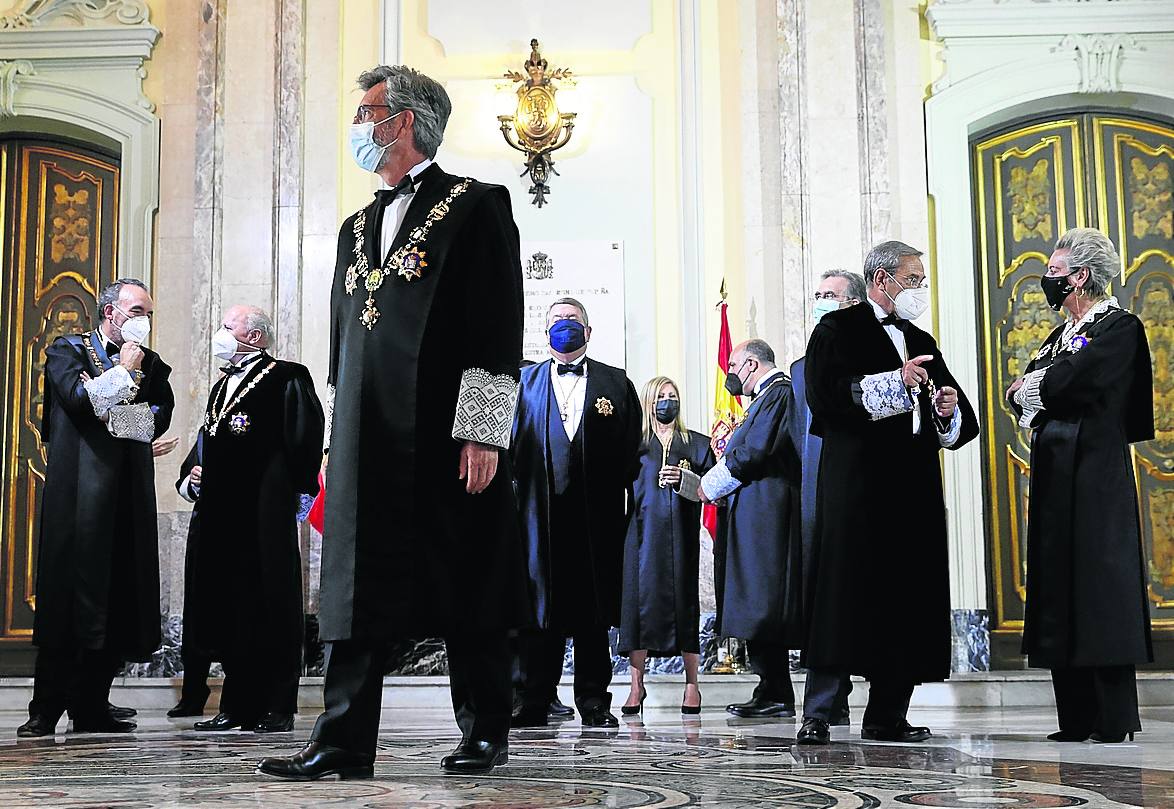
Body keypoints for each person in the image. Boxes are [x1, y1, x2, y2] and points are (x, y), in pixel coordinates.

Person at [258, 65, 527, 779]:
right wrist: (333, 445)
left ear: (402, 120)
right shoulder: (353, 226)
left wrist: (484, 429)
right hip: (364, 437)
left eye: (365, 111)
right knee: (353, 588)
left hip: (446, 434)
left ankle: (483, 731)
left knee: (468, 578)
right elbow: (344, 342)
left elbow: (497, 326)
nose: (357, 124)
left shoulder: (477, 205)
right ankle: (342, 742)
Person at [798, 240, 978, 745]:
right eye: (913, 278)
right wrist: (895, 382)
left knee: (906, 596)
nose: (920, 289)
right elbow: (827, 398)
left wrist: (945, 408)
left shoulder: (919, 335)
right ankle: (819, 711)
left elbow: (958, 415)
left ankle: (888, 713)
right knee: (842, 593)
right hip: (856, 485)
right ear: (881, 279)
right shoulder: (835, 329)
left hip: (911, 488)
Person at [1007, 228, 1154, 744]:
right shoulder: (1061, 335)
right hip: (1054, 472)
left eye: (1053, 271)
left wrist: (1037, 387)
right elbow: (1027, 385)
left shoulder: (1118, 327)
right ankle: (1073, 717)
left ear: (1080, 276)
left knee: (1098, 587)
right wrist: (1035, 387)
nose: (1046, 279)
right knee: (1058, 587)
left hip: (1095, 473)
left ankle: (1111, 719)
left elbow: (1077, 380)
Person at [18, 279, 174, 737]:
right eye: (137, 310)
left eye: (148, 311)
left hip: (125, 496)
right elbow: (75, 399)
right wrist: (122, 376)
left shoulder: (154, 365)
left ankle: (92, 705)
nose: (144, 319)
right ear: (111, 312)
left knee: (117, 598)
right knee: (67, 600)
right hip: (78, 495)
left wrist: (114, 414)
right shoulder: (68, 350)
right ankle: (45, 709)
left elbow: (155, 417)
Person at [177, 306, 323, 734]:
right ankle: (236, 705)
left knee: (271, 604)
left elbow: (304, 440)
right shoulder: (221, 385)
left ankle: (277, 705)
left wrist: (292, 498)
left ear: (255, 337)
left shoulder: (287, 377)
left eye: (227, 327)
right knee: (232, 606)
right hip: (224, 518)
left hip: (266, 513)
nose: (219, 334)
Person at [511, 298, 641, 729]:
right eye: (556, 321)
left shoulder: (615, 382)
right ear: (543, 332)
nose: (564, 326)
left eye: (572, 320)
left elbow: (630, 452)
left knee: (592, 612)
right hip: (536, 514)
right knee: (538, 608)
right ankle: (534, 697)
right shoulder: (522, 382)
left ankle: (593, 701)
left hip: (596, 517)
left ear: (589, 331)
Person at [699, 339, 803, 720]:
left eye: (733, 364)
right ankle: (770, 688)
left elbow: (753, 452)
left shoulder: (778, 394)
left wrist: (707, 486)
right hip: (756, 514)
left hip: (768, 516)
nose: (729, 373)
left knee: (763, 600)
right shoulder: (764, 398)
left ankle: (776, 691)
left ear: (752, 364)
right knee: (756, 600)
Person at [790, 269, 866, 731]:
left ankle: (883, 710)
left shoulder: (878, 356)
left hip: (867, 496)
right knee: (826, 605)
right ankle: (822, 707)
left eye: (830, 295)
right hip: (818, 502)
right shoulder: (800, 370)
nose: (820, 301)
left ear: (854, 303)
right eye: (816, 295)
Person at [618, 376, 715, 715]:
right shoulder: (635, 445)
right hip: (639, 537)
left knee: (684, 605)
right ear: (648, 401)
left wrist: (685, 480)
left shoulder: (696, 444)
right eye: (661, 396)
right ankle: (636, 685)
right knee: (637, 608)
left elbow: (712, 487)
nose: (667, 401)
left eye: (672, 395)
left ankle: (692, 685)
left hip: (681, 538)